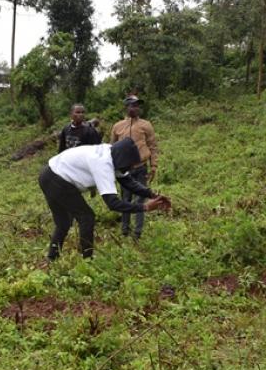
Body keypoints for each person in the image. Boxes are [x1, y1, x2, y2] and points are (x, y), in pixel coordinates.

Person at [39, 138, 170, 260]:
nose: (129, 169)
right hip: (56, 179)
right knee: (86, 217)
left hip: (49, 173)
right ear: (123, 160)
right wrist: (145, 207)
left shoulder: (112, 152)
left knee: (63, 223)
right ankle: (87, 260)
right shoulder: (102, 164)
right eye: (129, 166)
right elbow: (113, 204)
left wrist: (152, 195)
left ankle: (52, 258)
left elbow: (127, 181)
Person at [110, 95, 159, 239]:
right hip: (124, 169)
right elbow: (112, 148)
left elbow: (153, 146)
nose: (135, 108)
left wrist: (154, 165)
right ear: (126, 107)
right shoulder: (117, 126)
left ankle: (137, 232)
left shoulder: (146, 125)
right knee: (125, 199)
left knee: (140, 199)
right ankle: (124, 230)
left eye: (137, 105)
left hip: (141, 167)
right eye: (132, 105)